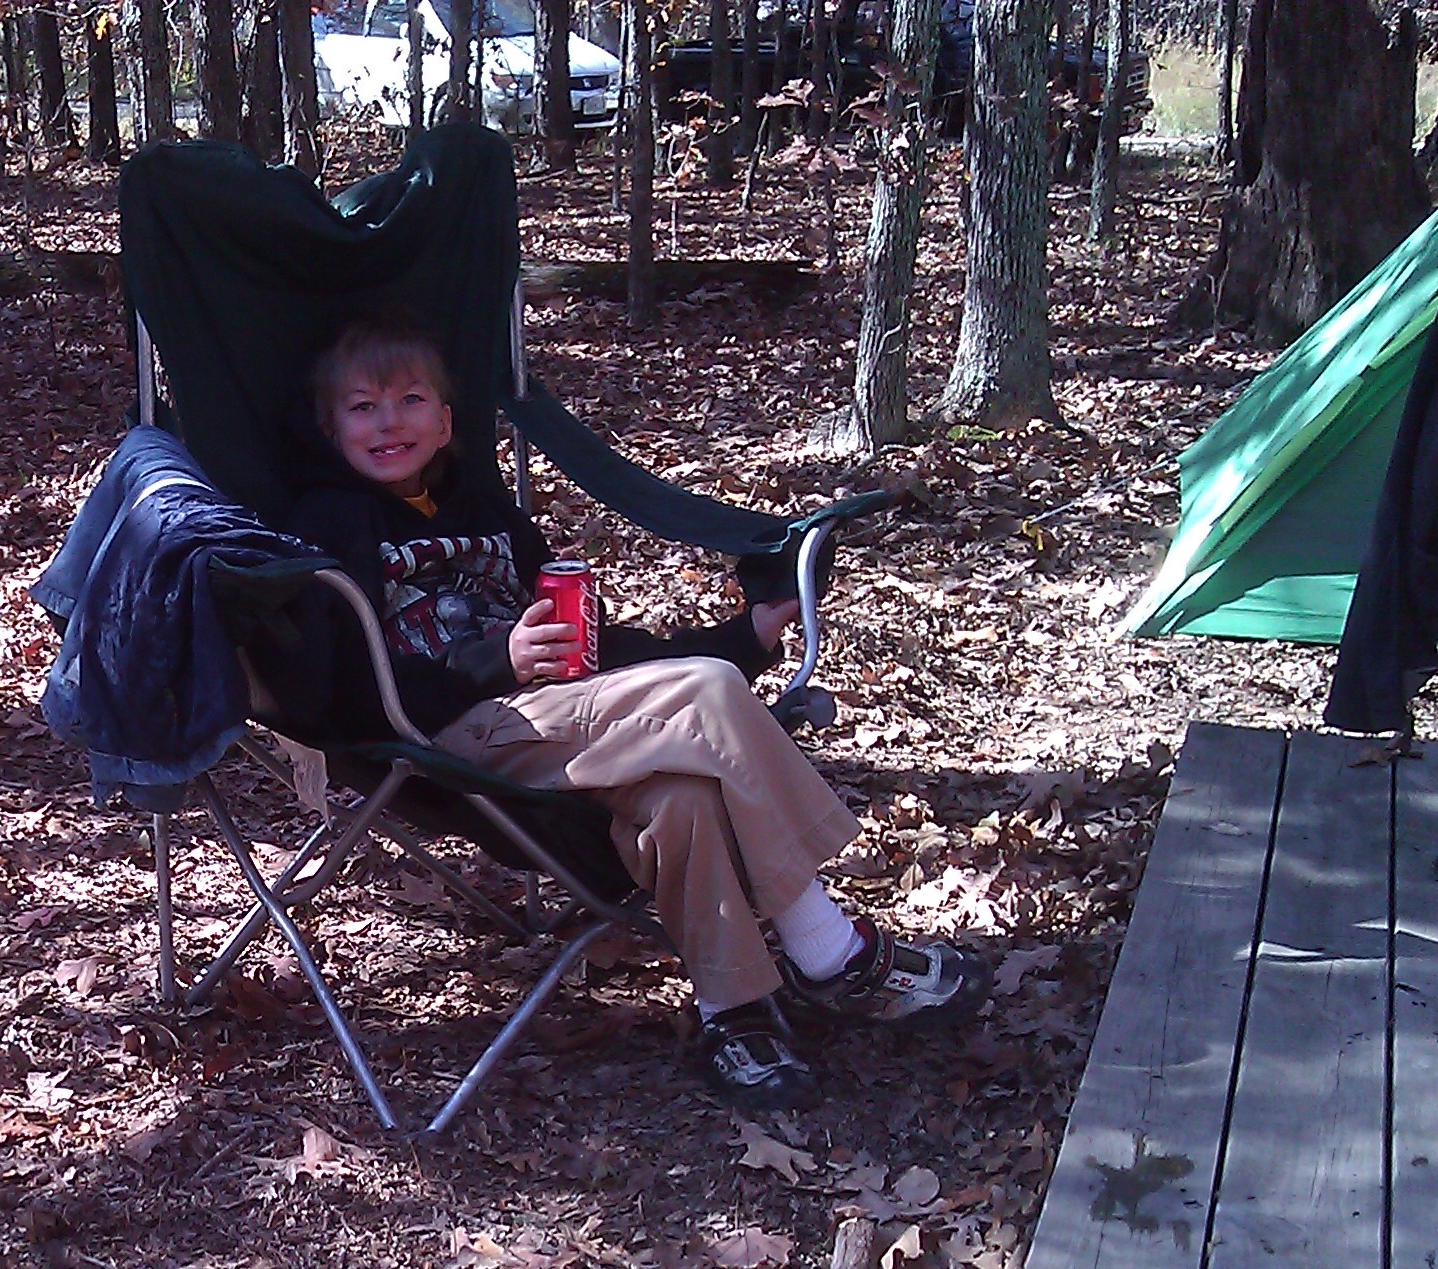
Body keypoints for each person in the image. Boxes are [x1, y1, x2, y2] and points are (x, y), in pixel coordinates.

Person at [284, 315, 986, 1108]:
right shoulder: (327, 524)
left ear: (446, 424)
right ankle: (827, 948)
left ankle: (733, 1013)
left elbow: (593, 648)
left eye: (410, 400)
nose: (388, 422)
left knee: (681, 796)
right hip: (446, 732)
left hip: (563, 716)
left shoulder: (489, 514)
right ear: (330, 430)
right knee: (709, 690)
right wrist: (496, 662)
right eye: (363, 407)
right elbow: (343, 682)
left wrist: (745, 637)